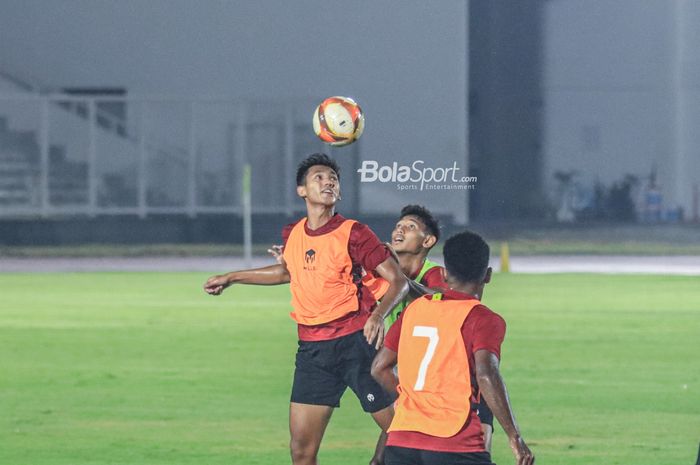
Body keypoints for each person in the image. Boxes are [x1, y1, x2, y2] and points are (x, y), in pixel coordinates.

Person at [204, 153, 409, 465]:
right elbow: (288, 272)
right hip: (313, 351)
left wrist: (378, 316)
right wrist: (233, 277)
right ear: (302, 191)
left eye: (333, 179)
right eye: (319, 177)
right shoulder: (293, 233)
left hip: (357, 344)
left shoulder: (354, 232)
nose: (328, 182)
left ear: (338, 192)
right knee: (301, 452)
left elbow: (398, 281)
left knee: (405, 432)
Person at [371, 230, 534, 465]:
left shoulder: (414, 310)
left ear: (444, 274)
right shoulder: (483, 319)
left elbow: (379, 367)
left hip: (402, 442)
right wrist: (514, 437)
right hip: (454, 441)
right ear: (487, 275)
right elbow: (486, 374)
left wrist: (413, 399)